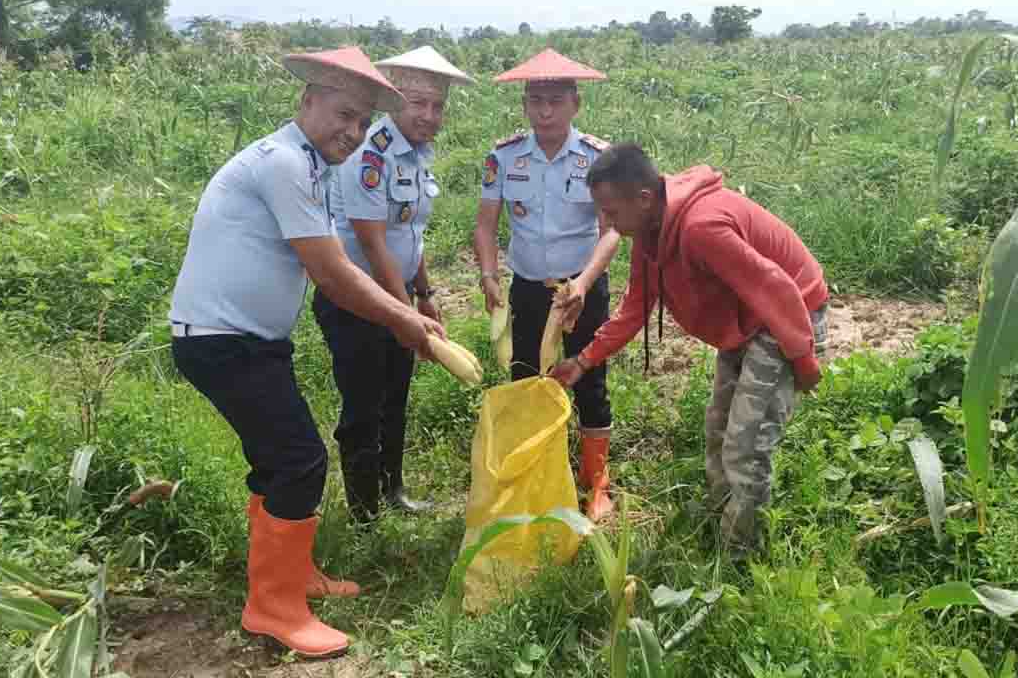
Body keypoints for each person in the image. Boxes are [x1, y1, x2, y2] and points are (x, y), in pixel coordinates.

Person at [168, 47, 444, 658]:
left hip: (253, 341)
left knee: (279, 461)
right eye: (342, 114)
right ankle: (273, 607)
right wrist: (405, 318)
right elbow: (329, 271)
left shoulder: (315, 167)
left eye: (361, 121)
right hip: (220, 340)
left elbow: (337, 258)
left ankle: (291, 577)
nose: (351, 131)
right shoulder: (285, 163)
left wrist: (410, 307)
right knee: (299, 461)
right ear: (307, 102)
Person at [549, 143, 830, 550]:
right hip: (747, 318)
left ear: (644, 199)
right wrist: (583, 360)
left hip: (786, 317)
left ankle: (739, 561)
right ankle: (721, 528)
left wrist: (802, 357)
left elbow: (775, 286)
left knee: (745, 447)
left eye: (611, 212)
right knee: (718, 429)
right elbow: (634, 309)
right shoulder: (650, 232)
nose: (604, 222)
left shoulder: (701, 228)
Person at [315, 46, 473, 524]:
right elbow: (373, 240)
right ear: (392, 101)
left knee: (395, 396)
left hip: (398, 294)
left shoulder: (415, 154)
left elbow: (410, 235)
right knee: (363, 404)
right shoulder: (371, 152)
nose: (428, 115)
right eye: (416, 102)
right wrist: (406, 315)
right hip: (358, 301)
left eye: (437, 106)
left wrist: (425, 297)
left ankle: (393, 489)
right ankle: (364, 512)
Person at [471, 49, 620, 521]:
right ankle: (534, 474)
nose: (545, 110)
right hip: (530, 290)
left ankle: (596, 484)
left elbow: (611, 230)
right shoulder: (504, 156)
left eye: (555, 100)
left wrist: (583, 283)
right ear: (524, 106)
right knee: (526, 381)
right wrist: (490, 275)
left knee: (589, 380)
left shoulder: (597, 158)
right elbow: (484, 226)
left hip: (582, 290)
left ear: (576, 103)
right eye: (535, 100)